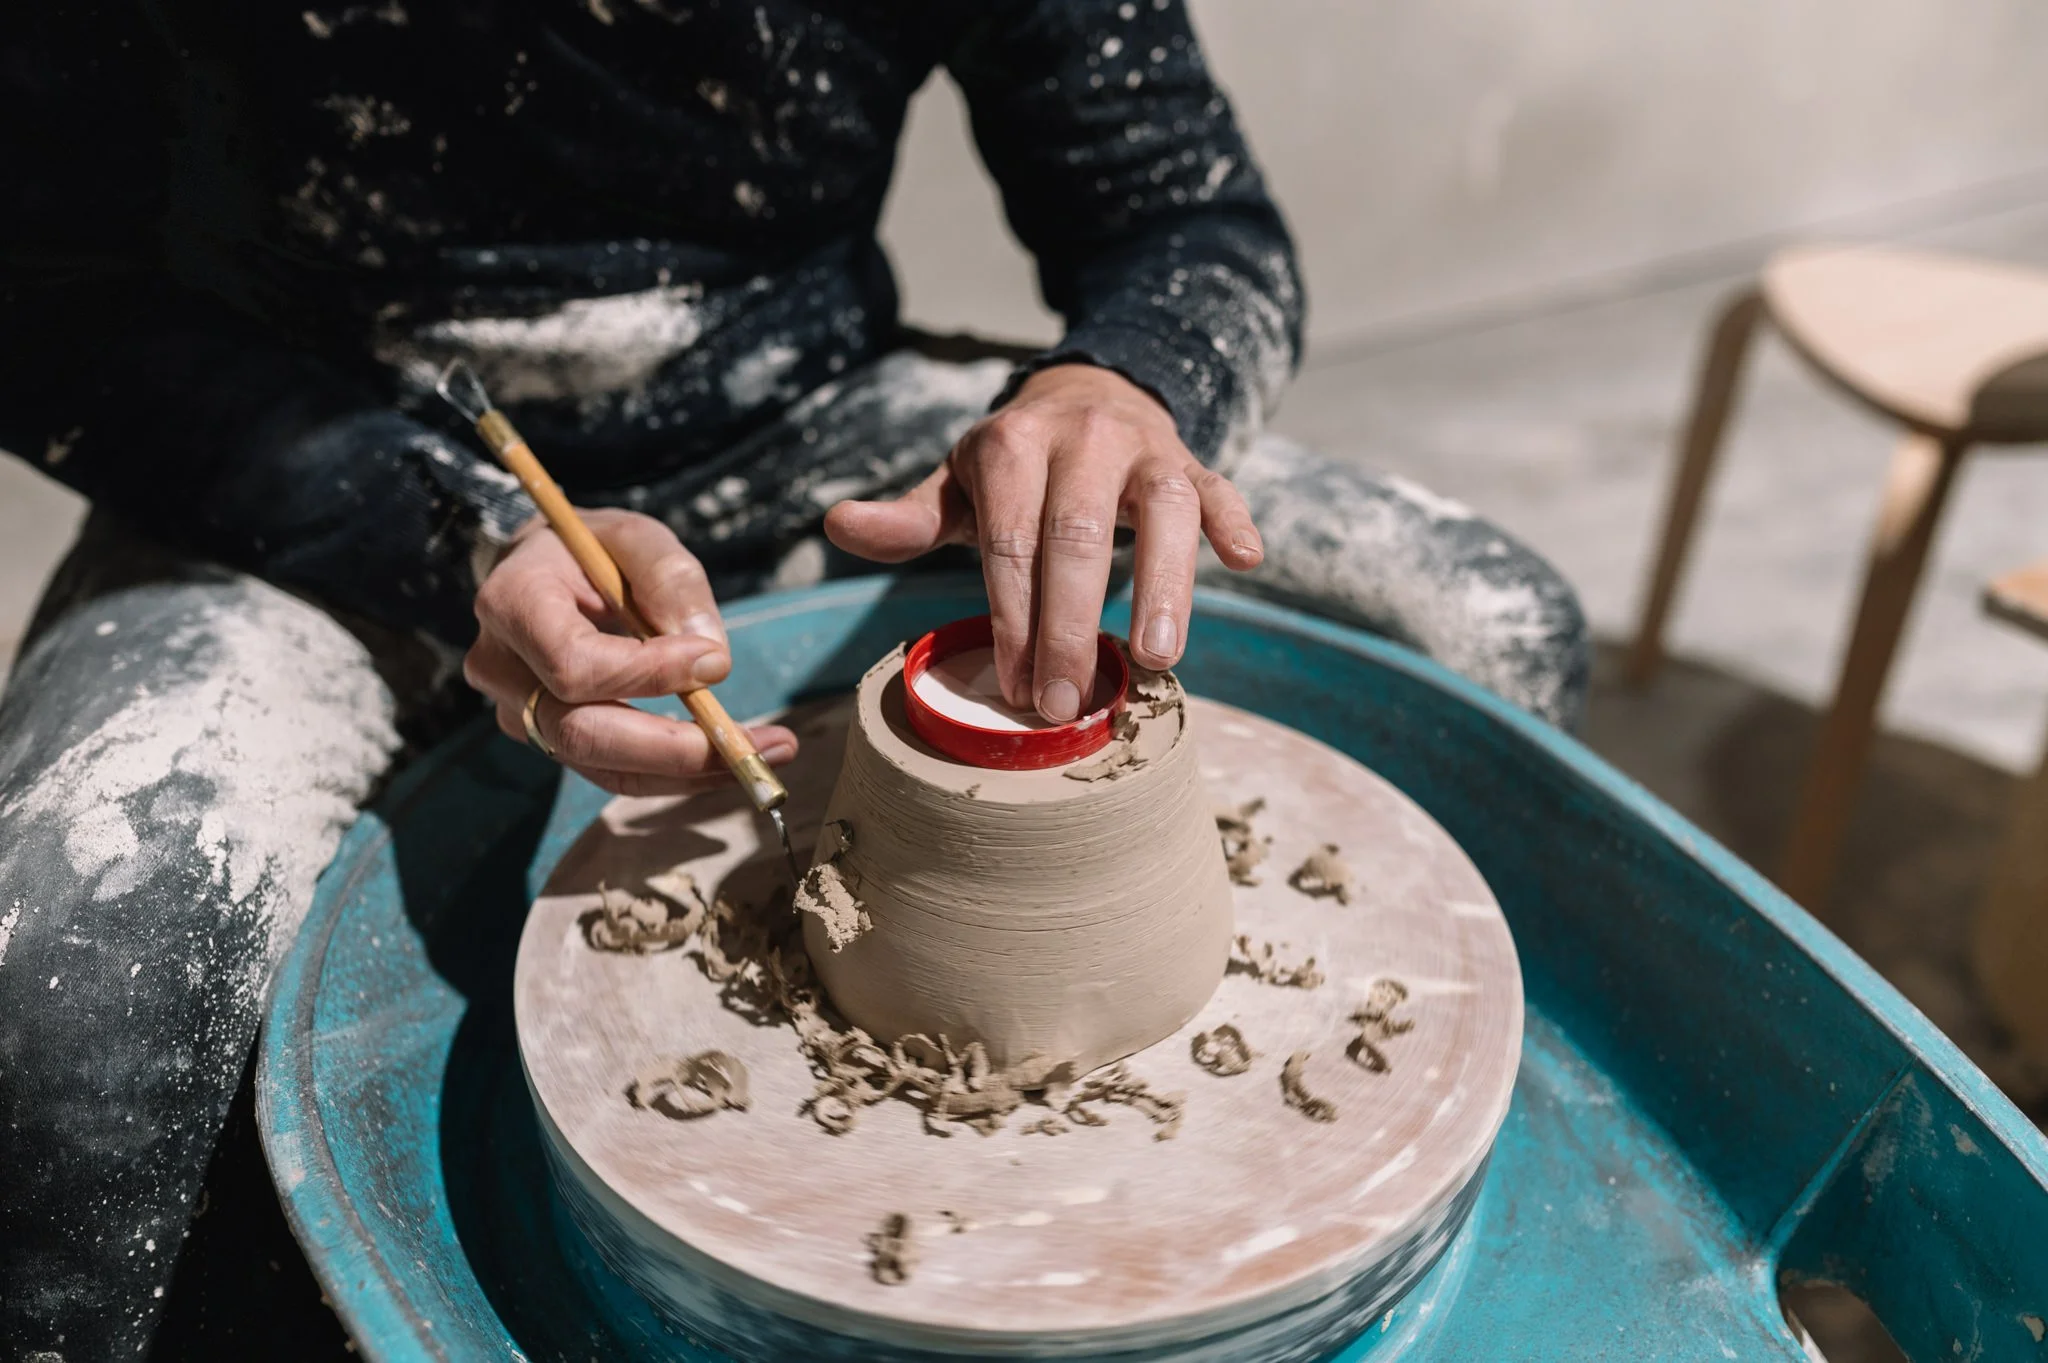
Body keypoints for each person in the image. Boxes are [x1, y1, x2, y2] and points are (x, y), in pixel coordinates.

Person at [0, 2, 1586, 1356]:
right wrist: (445, 533)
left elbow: (1187, 213)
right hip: (312, 455)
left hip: (798, 411)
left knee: (1480, 629)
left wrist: (1125, 383)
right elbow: (42, 279)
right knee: (85, 1012)